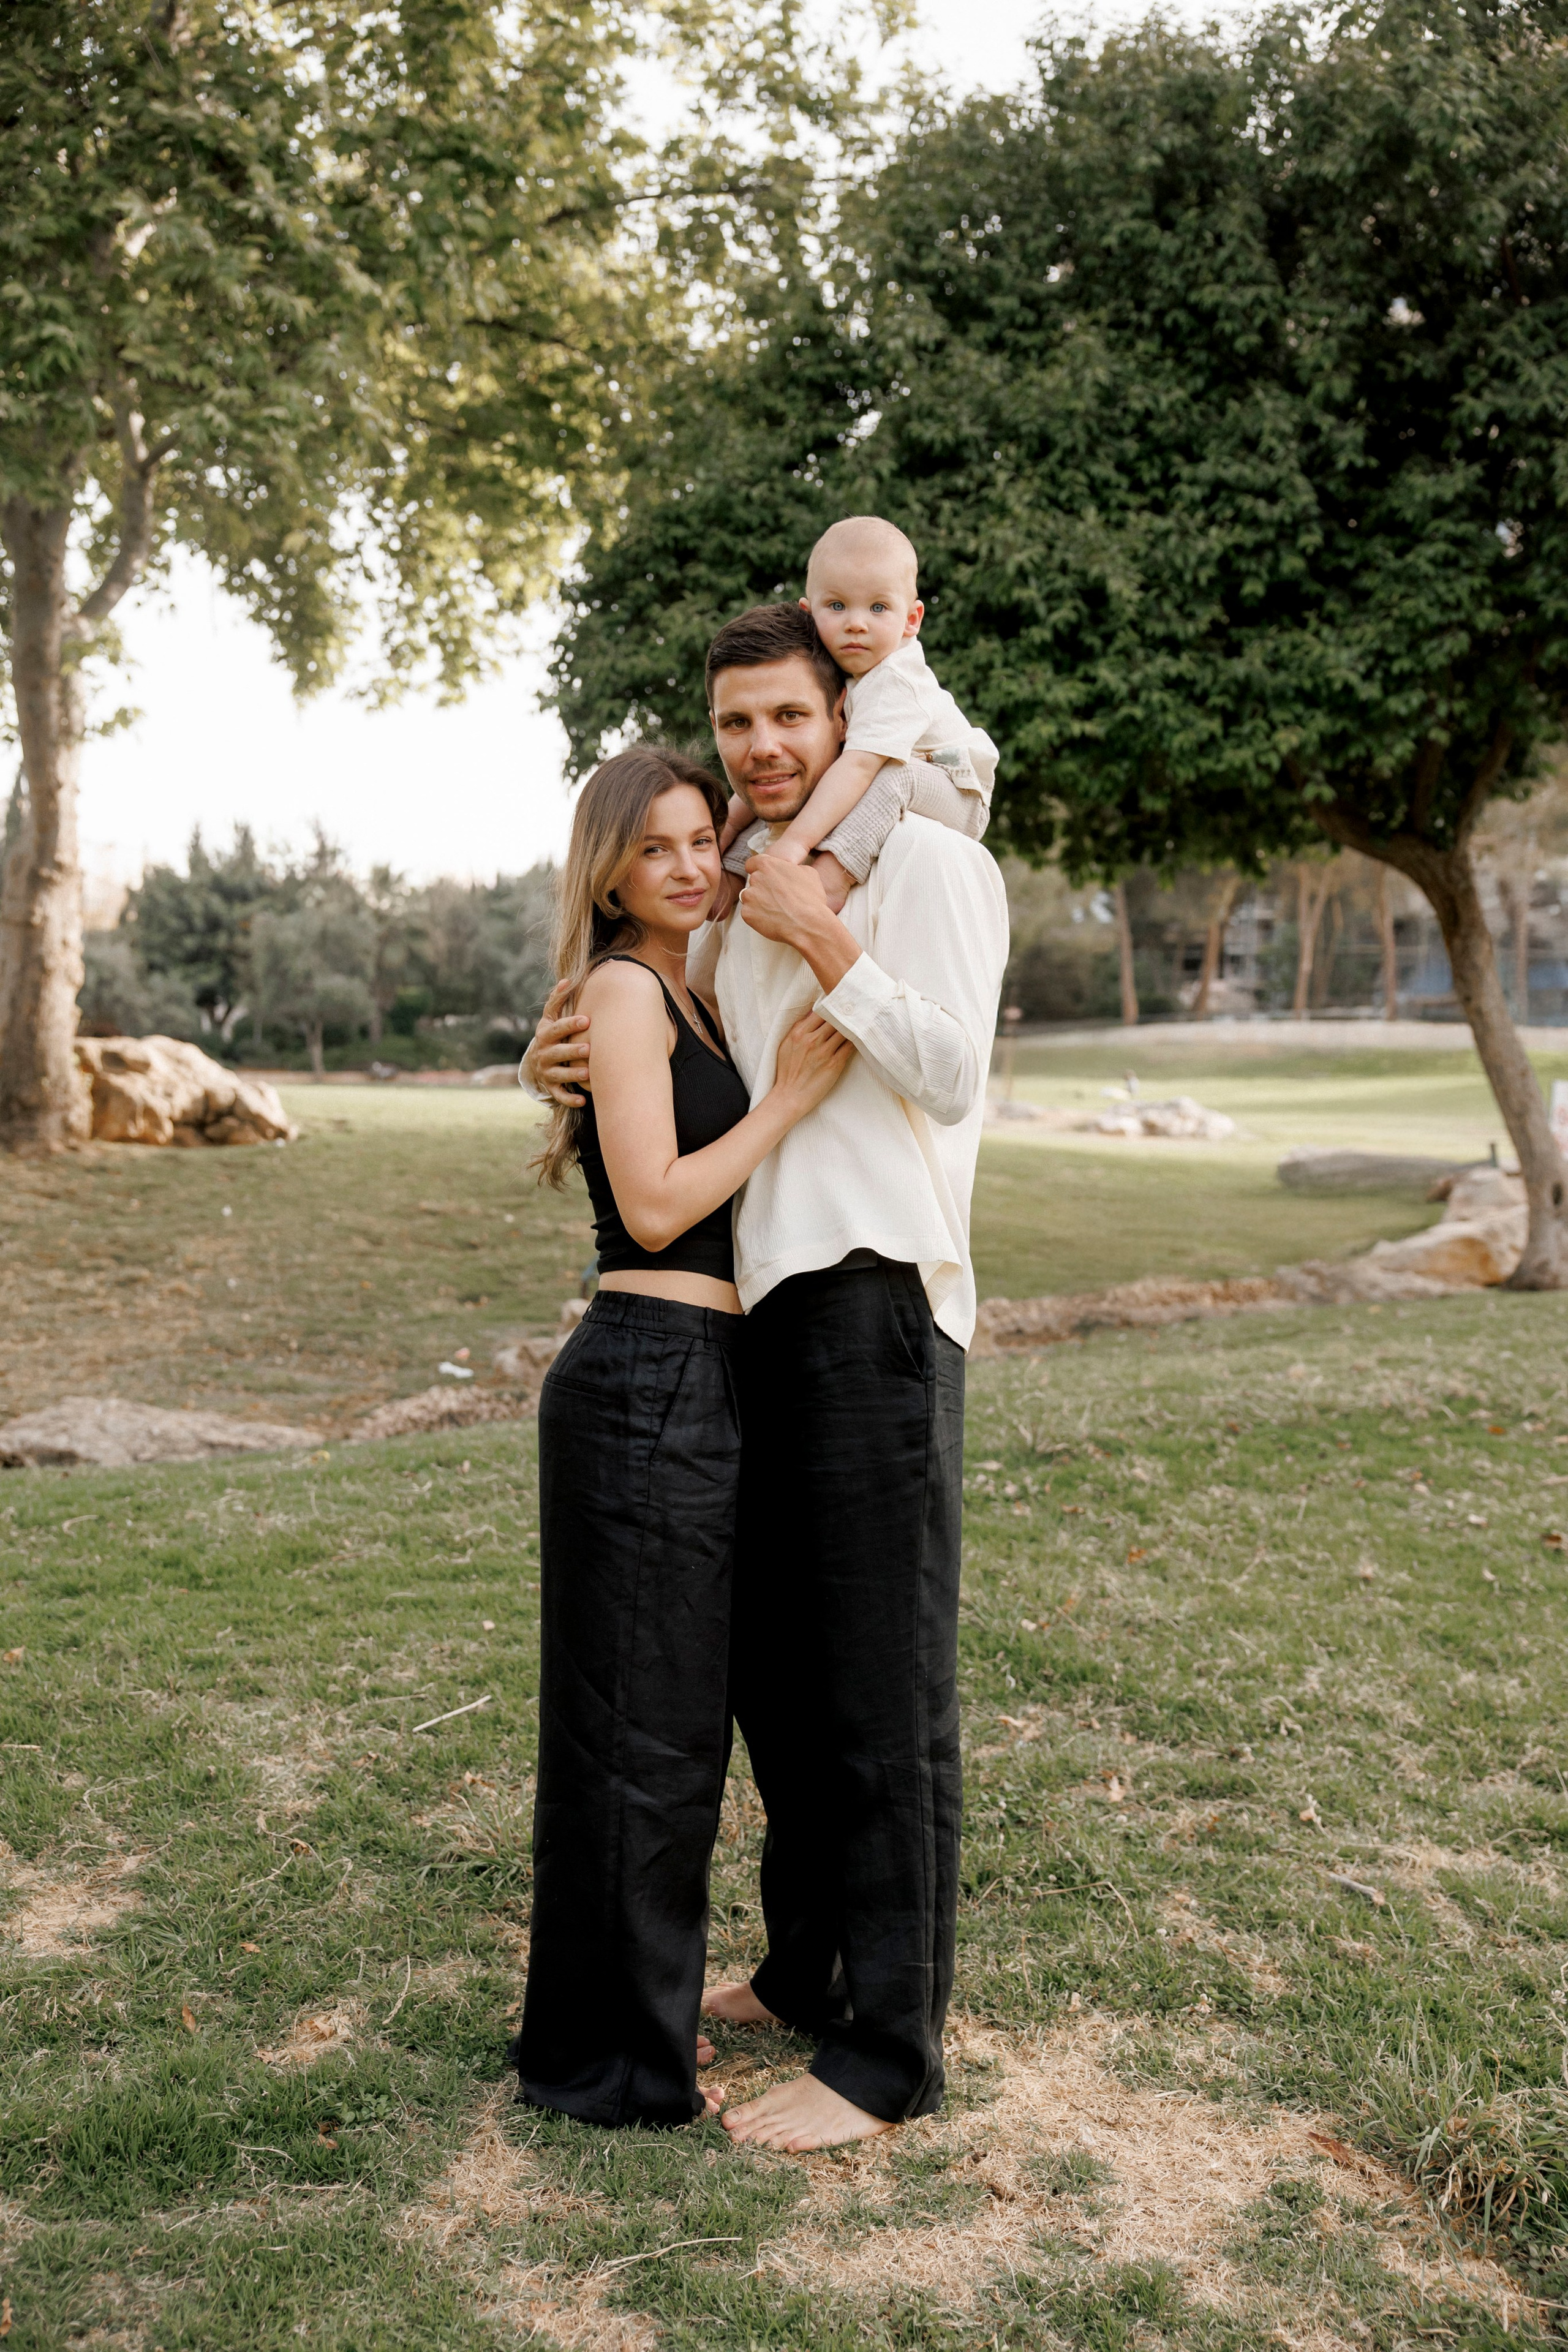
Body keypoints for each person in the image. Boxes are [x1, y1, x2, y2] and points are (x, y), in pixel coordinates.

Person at [526, 605, 1010, 2153]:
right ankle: (800, 1971)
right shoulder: (732, 893)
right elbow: (667, 1062)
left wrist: (829, 943)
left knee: (879, 1691)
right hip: (755, 1323)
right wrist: (563, 1049)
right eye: (735, 725)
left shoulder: (929, 867)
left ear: (843, 711)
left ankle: (888, 2052)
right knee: (786, 1692)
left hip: (876, 1301)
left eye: (788, 717)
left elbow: (944, 1070)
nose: (761, 749)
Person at [513, 743, 853, 2131]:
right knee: (631, 1742)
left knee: (663, 1741)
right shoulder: (624, 985)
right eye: (654, 848)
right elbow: (652, 1205)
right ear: (608, 870)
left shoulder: (688, 990)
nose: (690, 863)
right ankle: (609, 2063)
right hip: (645, 1368)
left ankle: (624, 2026)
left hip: (699, 1374)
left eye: (698, 837)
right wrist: (787, 1098)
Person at [715, 514, 998, 899]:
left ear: (911, 620)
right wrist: (725, 830)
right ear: (808, 615)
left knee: (891, 776)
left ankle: (833, 880)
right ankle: (728, 879)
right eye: (837, 606)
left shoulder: (896, 678)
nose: (857, 624)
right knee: (778, 793)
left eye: (878, 608)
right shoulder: (831, 668)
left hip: (957, 787)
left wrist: (795, 846)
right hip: (892, 767)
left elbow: (859, 767)